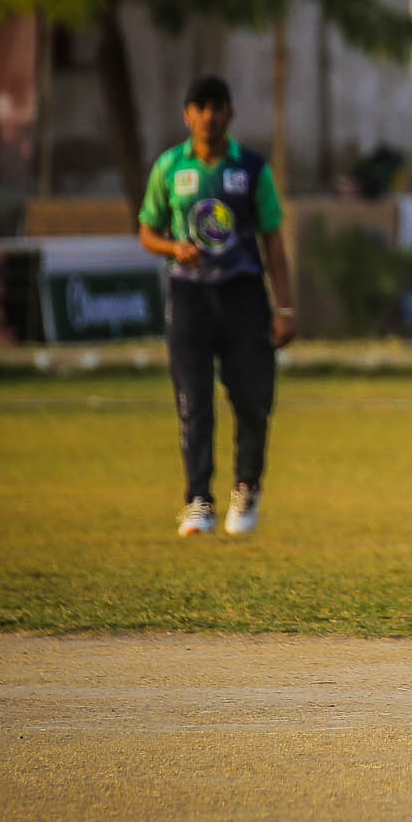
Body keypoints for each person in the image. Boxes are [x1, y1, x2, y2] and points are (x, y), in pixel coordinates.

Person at [137, 74, 295, 537]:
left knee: (252, 400)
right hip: (190, 297)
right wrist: (174, 248)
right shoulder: (170, 167)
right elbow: (147, 230)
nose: (209, 116)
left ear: (230, 114)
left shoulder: (252, 168)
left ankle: (246, 487)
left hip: (243, 295)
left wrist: (285, 309)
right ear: (188, 115)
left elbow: (273, 240)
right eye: (200, 107)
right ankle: (198, 500)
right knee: (194, 403)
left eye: (217, 107)